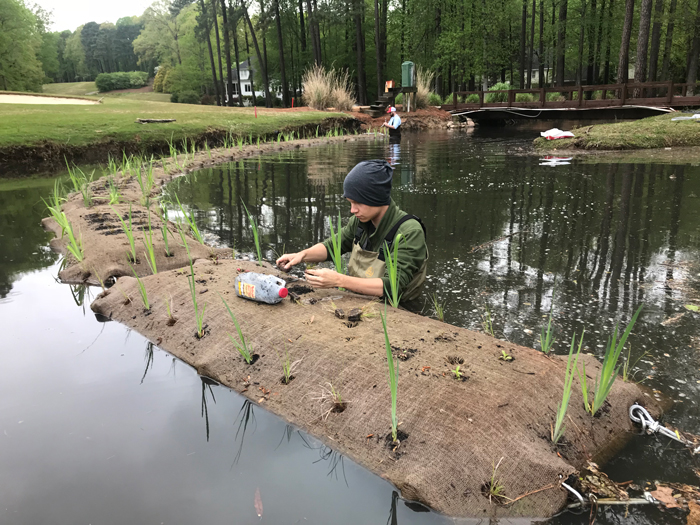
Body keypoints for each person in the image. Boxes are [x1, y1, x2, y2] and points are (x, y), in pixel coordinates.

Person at [276, 160, 427, 302]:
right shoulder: (361, 221)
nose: (352, 210)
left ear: (376, 198)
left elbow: (393, 286)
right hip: (363, 299)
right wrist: (302, 255)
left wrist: (338, 280)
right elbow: (332, 246)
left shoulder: (410, 231)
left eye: (358, 203)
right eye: (350, 202)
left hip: (400, 308)